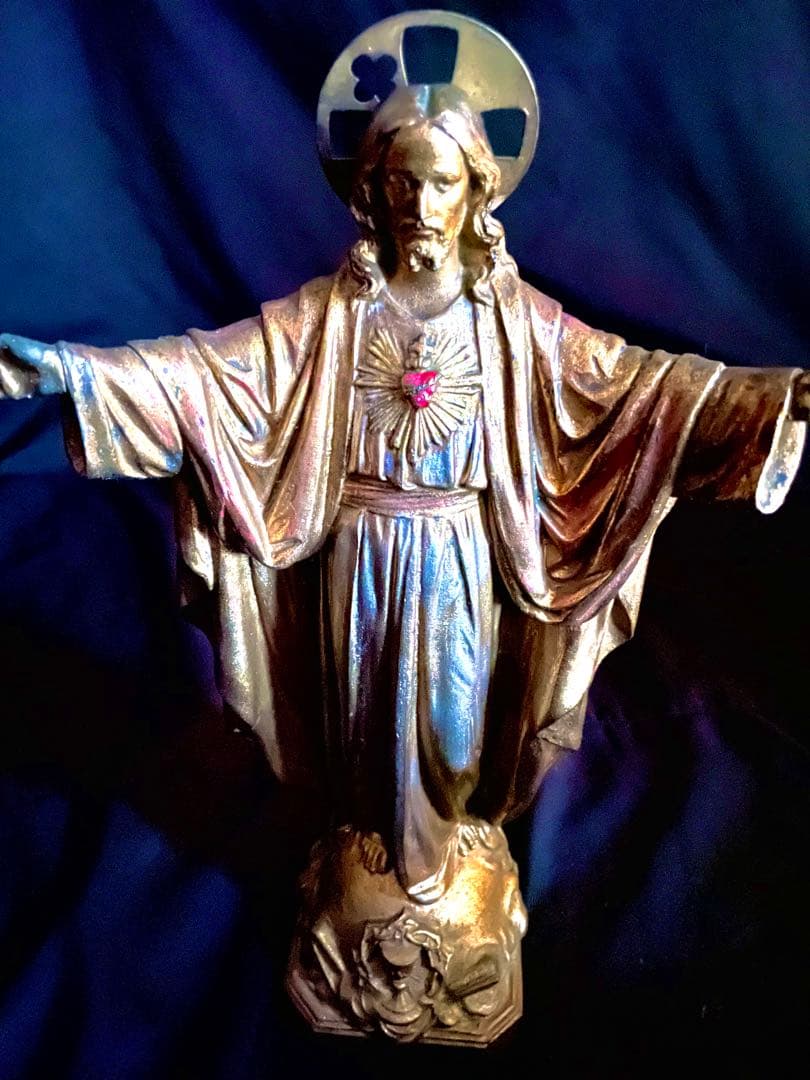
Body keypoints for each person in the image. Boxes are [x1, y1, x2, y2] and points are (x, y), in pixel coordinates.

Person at [1, 83, 808, 908]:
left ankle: (445, 845)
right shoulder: (332, 315)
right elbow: (208, 372)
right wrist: (76, 371)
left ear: (476, 191)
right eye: (402, 182)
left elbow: (637, 386)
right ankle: (365, 845)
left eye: (442, 183)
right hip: (361, 547)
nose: (421, 205)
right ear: (373, 192)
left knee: (452, 730)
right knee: (360, 720)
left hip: (460, 551)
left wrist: (766, 398)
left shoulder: (512, 319)